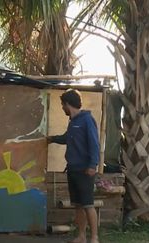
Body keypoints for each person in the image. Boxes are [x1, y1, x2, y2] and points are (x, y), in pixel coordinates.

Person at [47, 89, 100, 243]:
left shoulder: (87, 120)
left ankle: (94, 237)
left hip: (85, 170)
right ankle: (81, 236)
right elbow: (67, 138)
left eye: (63, 105)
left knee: (88, 204)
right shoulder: (73, 122)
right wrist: (52, 139)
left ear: (68, 104)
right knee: (78, 205)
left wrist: (93, 165)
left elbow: (94, 144)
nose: (62, 108)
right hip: (73, 169)